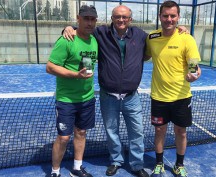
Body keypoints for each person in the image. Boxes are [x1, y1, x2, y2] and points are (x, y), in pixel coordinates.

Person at [63, 5, 188, 177]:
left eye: (124, 17)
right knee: (112, 132)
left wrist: (180, 29)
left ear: (130, 19)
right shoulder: (101, 34)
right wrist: (69, 28)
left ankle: (137, 165)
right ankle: (116, 161)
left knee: (137, 133)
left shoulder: (141, 36)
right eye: (117, 17)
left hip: (131, 97)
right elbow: (84, 29)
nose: (121, 20)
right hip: (108, 96)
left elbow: (163, 34)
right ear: (112, 18)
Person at [145, 1, 202, 177]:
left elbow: (193, 65)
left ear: (178, 17)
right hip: (159, 96)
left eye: (173, 16)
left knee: (181, 132)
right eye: (165, 15)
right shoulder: (152, 38)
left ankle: (179, 164)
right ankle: (159, 163)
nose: (169, 19)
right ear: (160, 17)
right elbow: (145, 55)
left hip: (181, 97)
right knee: (159, 131)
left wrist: (194, 73)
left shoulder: (187, 38)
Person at [46, 5, 98, 177]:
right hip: (66, 99)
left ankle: (77, 168)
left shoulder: (94, 40)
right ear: (78, 18)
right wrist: (75, 74)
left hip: (87, 98)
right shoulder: (67, 39)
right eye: (86, 18)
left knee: (81, 132)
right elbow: (50, 67)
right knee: (63, 137)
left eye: (92, 19)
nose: (89, 22)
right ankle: (55, 171)